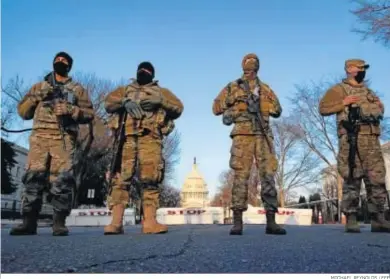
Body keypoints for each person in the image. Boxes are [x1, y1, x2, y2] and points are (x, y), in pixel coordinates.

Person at [10, 52, 94, 236]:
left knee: (62, 181)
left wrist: (71, 109)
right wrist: (35, 97)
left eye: (64, 61)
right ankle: (28, 222)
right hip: (39, 138)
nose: (60, 62)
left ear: (69, 66)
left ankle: (59, 223)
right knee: (33, 179)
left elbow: (89, 114)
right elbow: (23, 113)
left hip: (63, 139)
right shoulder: (40, 86)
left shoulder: (77, 89)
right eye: (57, 60)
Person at [103, 61, 183, 234]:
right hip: (126, 138)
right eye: (141, 70)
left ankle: (150, 222)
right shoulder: (125, 90)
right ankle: (116, 222)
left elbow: (178, 108)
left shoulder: (161, 92)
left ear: (153, 75)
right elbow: (108, 103)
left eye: (147, 71)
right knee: (121, 179)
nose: (143, 72)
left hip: (150, 138)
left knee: (150, 178)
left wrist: (160, 101)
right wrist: (124, 102)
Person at [212, 53, 286, 235]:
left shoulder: (265, 89)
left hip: (262, 135)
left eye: (253, 65)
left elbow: (277, 110)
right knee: (240, 177)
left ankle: (271, 220)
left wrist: (262, 104)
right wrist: (236, 104)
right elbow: (216, 108)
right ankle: (237, 221)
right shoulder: (232, 87)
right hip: (242, 136)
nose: (250, 68)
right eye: (247, 64)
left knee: (268, 176)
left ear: (257, 67)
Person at [319, 59, 389, 233]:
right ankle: (351, 218)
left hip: (372, 139)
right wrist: (343, 103)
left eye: (364, 68)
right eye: (360, 68)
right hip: (351, 138)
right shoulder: (338, 89)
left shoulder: (368, 91)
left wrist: (381, 107)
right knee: (352, 176)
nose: (363, 71)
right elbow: (323, 108)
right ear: (349, 69)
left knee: (377, 178)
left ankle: (379, 218)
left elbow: (378, 111)